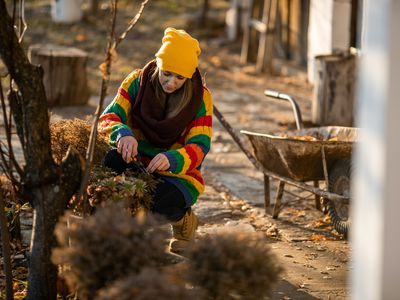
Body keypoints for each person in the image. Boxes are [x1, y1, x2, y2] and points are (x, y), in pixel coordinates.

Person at [98, 27, 213, 253]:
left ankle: (184, 221)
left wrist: (172, 158)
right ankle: (102, 232)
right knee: (110, 162)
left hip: (177, 173)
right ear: (158, 64)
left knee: (157, 207)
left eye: (179, 78)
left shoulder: (200, 98)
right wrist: (122, 133)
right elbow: (107, 118)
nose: (171, 83)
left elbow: (200, 146)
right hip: (135, 159)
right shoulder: (136, 81)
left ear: (188, 76)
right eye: (166, 73)